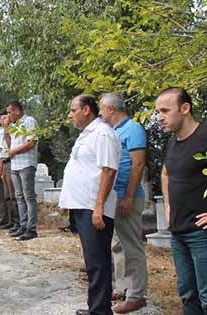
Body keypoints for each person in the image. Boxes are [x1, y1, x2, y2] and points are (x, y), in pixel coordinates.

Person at [59, 94, 121, 315]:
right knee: (93, 261)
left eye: (73, 110)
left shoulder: (102, 134)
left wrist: (99, 206)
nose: (70, 115)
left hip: (94, 206)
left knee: (98, 262)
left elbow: (109, 170)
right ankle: (97, 307)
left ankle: (100, 311)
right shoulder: (87, 134)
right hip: (83, 205)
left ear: (86, 110)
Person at [156, 87, 207, 315]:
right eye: (158, 111)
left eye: (165, 110)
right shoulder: (174, 141)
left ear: (185, 108)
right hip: (178, 232)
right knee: (188, 295)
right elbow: (166, 173)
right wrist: (168, 205)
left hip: (202, 234)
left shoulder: (205, 136)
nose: (160, 117)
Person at [99, 92, 149, 313]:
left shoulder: (133, 129)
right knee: (118, 245)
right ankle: (122, 286)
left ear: (111, 109)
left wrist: (128, 196)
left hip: (128, 196)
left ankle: (137, 294)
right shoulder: (113, 131)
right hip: (114, 197)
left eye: (101, 109)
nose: (99, 113)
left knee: (132, 246)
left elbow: (138, 165)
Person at [5, 100, 40, 241]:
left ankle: (31, 228)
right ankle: (23, 224)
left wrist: (14, 151)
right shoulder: (13, 125)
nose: (8, 115)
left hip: (26, 163)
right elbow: (9, 144)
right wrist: (6, 128)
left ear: (17, 111)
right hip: (15, 165)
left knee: (28, 197)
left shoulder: (29, 121)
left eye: (9, 112)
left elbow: (31, 142)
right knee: (19, 196)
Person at [0, 112, 20, 231]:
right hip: (4, 162)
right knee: (7, 195)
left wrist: (6, 128)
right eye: (1, 118)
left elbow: (10, 145)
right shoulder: (4, 132)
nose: (3, 120)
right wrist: (0, 168)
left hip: (11, 162)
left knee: (13, 194)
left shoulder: (14, 130)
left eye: (5, 117)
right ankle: (11, 220)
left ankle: (18, 221)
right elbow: (2, 151)